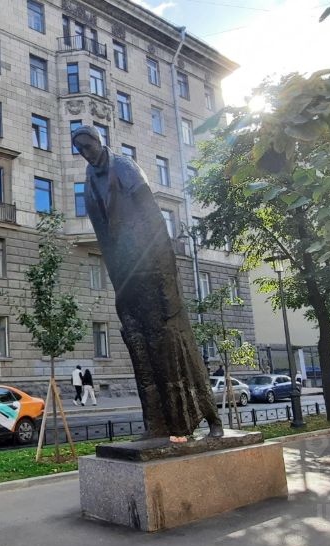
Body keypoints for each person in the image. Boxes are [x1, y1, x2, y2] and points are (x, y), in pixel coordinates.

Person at [72, 126, 221, 438]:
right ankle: (157, 424)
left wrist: (167, 280)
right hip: (126, 271)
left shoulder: (124, 167)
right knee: (142, 353)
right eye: (80, 149)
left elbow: (153, 217)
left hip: (152, 265)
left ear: (99, 141)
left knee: (176, 348)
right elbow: (104, 233)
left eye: (88, 145)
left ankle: (211, 418)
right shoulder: (90, 180)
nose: (85, 153)